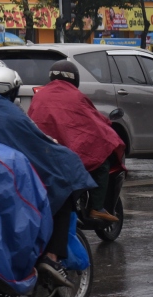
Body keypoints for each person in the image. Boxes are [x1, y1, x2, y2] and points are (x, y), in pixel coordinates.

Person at [0, 63, 95, 287]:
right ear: (11, 90)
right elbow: (35, 143)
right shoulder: (11, 113)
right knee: (62, 184)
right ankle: (51, 258)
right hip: (3, 178)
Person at [28, 60, 124, 224]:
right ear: (75, 78)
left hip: (41, 153)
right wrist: (107, 126)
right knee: (102, 160)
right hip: (67, 153)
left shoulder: (40, 95)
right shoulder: (76, 96)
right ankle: (96, 207)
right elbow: (92, 121)